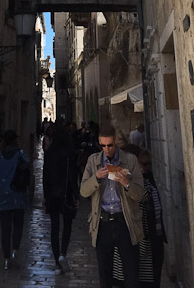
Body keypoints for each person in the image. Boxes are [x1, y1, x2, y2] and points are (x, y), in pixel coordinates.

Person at [80, 122, 144, 288]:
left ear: (115, 142)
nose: (106, 150)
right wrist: (96, 178)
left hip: (125, 221)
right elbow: (83, 191)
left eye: (109, 145)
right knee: (105, 274)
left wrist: (126, 183)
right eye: (103, 146)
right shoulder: (93, 161)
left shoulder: (130, 160)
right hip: (103, 223)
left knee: (131, 273)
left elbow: (140, 194)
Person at [113, 149, 166, 288]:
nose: (146, 167)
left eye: (148, 164)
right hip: (136, 243)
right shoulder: (131, 186)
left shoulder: (148, 181)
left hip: (153, 241)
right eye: (143, 164)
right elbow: (140, 196)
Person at [43, 125, 79, 274]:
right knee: (67, 226)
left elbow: (45, 177)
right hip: (67, 195)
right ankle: (63, 253)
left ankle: (57, 261)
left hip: (53, 195)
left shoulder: (50, 153)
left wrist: (46, 196)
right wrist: (76, 194)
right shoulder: (70, 154)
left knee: (54, 227)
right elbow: (73, 177)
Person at [0, 130, 30, 270]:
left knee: (5, 228)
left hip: (2, 196)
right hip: (17, 195)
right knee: (18, 224)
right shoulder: (21, 154)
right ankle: (15, 250)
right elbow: (27, 171)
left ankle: (6, 258)